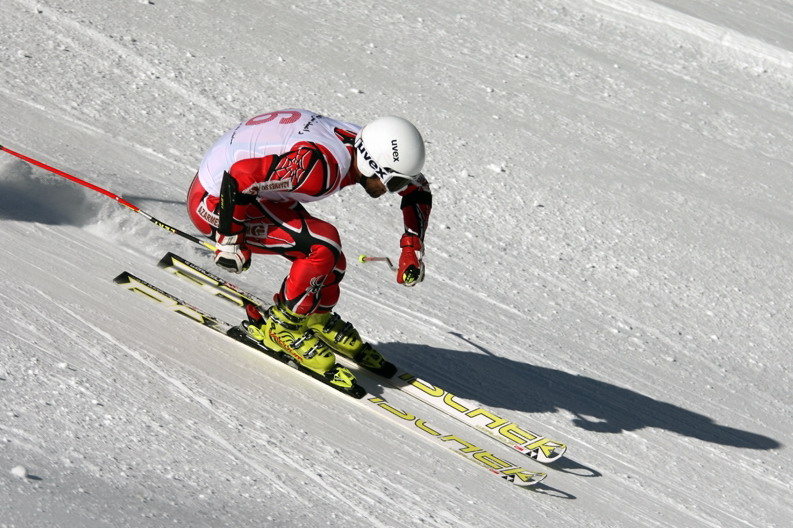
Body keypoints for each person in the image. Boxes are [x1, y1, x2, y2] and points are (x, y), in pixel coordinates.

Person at [187, 109, 432, 392]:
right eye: (393, 183)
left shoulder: (367, 142)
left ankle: (315, 318)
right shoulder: (319, 168)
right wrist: (229, 241)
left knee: (333, 258)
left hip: (247, 190)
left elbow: (418, 190)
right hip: (215, 203)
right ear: (371, 166)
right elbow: (240, 177)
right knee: (322, 246)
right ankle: (281, 329)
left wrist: (411, 248)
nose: (393, 191)